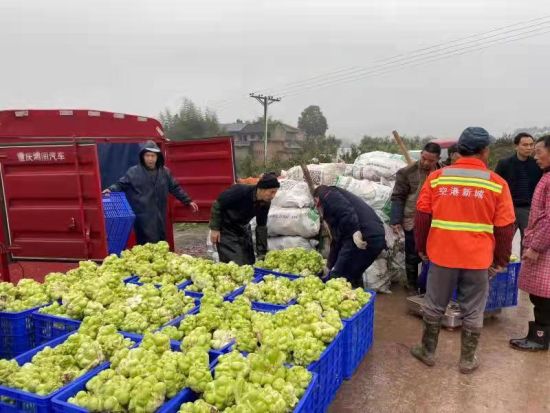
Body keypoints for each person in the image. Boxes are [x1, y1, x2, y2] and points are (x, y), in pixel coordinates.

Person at [411, 127, 515, 374]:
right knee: (473, 308)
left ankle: (427, 351)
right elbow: (504, 228)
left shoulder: (438, 178)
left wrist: (422, 249)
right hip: (478, 259)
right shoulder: (497, 184)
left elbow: (422, 217)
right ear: (485, 151)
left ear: (459, 150)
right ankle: (467, 360)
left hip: (442, 255)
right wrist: (500, 260)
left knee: (434, 305)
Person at [103, 141, 198, 245]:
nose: (150, 159)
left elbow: (175, 188)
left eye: (153, 156)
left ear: (158, 157)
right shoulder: (133, 172)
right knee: (146, 244)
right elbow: (121, 184)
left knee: (161, 242)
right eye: (147, 155)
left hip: (160, 214)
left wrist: (187, 201)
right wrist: (111, 189)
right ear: (143, 157)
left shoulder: (165, 172)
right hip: (143, 216)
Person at [509, 135, 550, 352]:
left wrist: (535, 247)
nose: (536, 156)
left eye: (539, 151)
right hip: (543, 242)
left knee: (542, 296)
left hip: (544, 247)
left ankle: (539, 338)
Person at [390, 142, 442, 292]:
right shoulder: (406, 172)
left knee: (433, 253)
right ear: (421, 154)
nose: (426, 162)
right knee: (412, 253)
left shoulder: (443, 172)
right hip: (412, 218)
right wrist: (396, 220)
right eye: (424, 158)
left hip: (436, 219)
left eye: (430, 160)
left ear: (438, 159)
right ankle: (412, 284)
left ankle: (429, 285)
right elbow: (398, 197)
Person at [314, 185, 386, 288]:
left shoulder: (327, 194)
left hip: (365, 234)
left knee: (341, 274)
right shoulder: (334, 214)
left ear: (317, 199)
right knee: (352, 274)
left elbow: (346, 211)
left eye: (315, 204)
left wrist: (355, 231)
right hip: (375, 236)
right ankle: (355, 297)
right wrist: (329, 266)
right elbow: (336, 242)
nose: (316, 208)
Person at [209, 173, 279, 265]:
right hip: (226, 229)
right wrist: (215, 228)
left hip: (242, 228)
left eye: (275, 192)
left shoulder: (265, 203)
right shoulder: (241, 191)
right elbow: (218, 204)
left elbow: (261, 226)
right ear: (261, 189)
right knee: (235, 264)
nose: (273, 196)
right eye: (271, 192)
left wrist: (262, 254)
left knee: (249, 262)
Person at [495, 132, 542, 251]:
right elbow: (496, 186)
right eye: (525, 145)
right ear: (516, 146)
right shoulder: (504, 164)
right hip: (508, 208)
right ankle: (501, 267)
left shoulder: (537, 164)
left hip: (528, 209)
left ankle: (524, 268)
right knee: (503, 241)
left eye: (531, 145)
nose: (529, 148)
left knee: (527, 243)